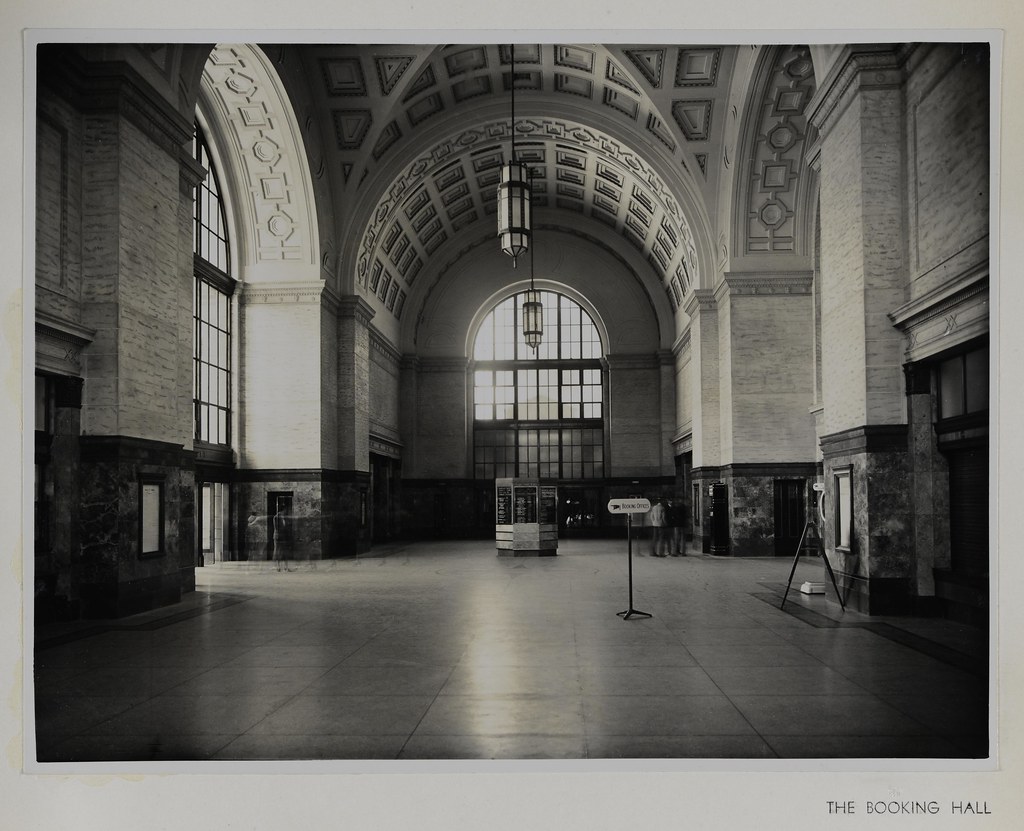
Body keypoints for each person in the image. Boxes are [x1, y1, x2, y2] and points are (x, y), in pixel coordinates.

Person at [272, 506, 292, 571]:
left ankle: (286, 567)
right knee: (278, 551)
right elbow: (277, 528)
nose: (286, 511)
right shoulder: (276, 517)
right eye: (285, 510)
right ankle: (278, 567)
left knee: (285, 551)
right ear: (283, 510)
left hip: (283, 536)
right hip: (278, 536)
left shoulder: (284, 518)